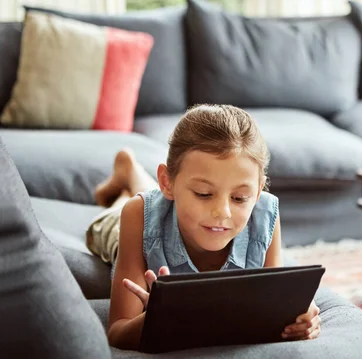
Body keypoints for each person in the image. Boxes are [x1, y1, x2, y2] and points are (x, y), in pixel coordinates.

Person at [86, 105, 321, 350]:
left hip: (168, 200)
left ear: (259, 189)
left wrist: (300, 319)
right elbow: (118, 331)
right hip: (125, 226)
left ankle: (132, 172)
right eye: (204, 193)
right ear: (167, 181)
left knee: (160, 196)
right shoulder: (138, 217)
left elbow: (274, 304)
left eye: (239, 198)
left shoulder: (265, 213)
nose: (223, 212)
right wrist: (155, 318)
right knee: (124, 208)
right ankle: (129, 173)